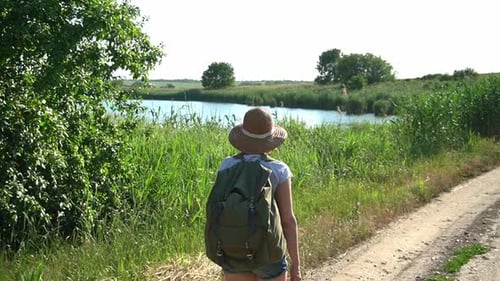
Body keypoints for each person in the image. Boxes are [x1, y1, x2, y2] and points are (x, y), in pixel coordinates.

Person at [217, 107, 302, 281]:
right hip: (269, 253)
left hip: (234, 250)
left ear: (242, 137)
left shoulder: (226, 166)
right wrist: (296, 264)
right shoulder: (279, 170)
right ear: (271, 142)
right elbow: (288, 221)